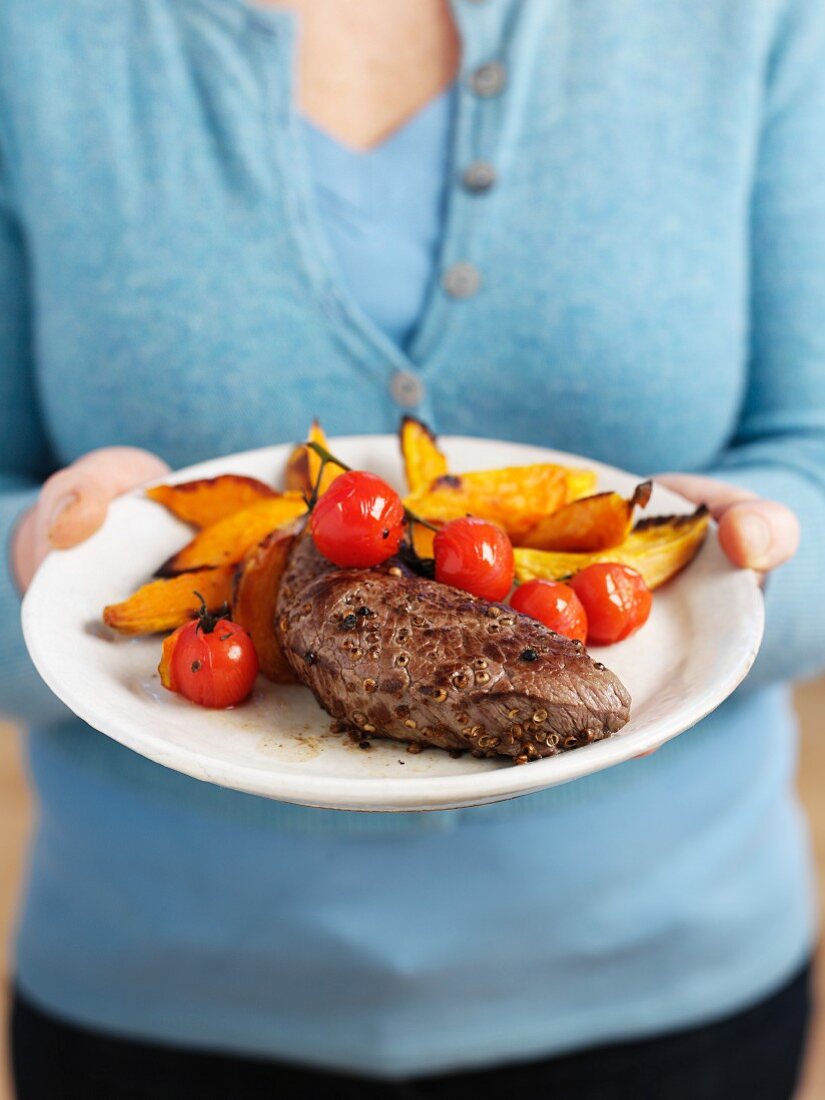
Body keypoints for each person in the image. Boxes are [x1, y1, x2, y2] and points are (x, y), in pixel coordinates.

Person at [2, 0, 823, 1096]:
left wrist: (744, 559)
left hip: (671, 996)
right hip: (163, 1002)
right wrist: (42, 570)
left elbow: (810, 460)